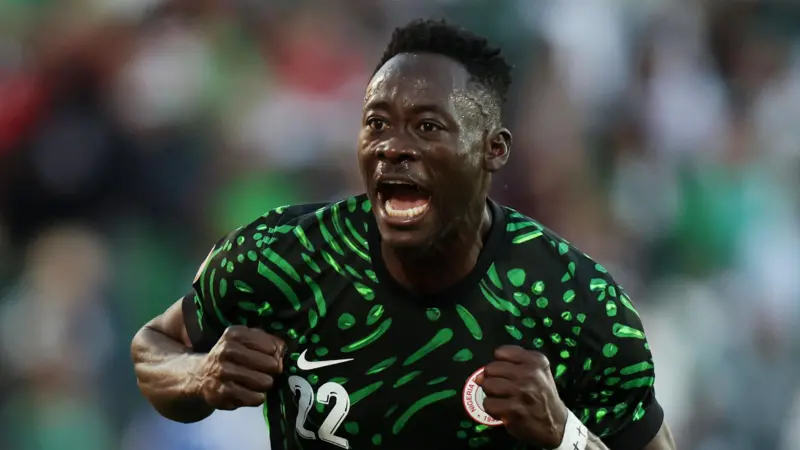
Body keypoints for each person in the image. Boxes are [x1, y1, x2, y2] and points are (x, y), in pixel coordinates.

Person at [132, 19, 677, 450]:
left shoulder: (574, 303)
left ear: (494, 150)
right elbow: (154, 346)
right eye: (377, 122)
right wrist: (200, 375)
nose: (393, 146)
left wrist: (565, 435)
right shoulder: (284, 257)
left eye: (427, 126)